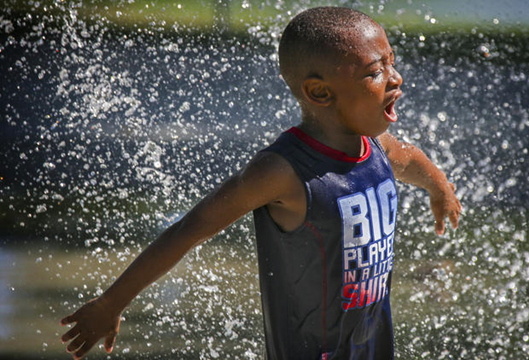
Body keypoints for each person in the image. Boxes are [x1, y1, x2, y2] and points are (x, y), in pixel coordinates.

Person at [60, 6, 462, 360]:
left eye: (391, 62)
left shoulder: (376, 146)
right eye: (376, 72)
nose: (396, 78)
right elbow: (188, 230)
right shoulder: (282, 171)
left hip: (373, 344)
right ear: (319, 92)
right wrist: (111, 303)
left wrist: (439, 188)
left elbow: (411, 160)